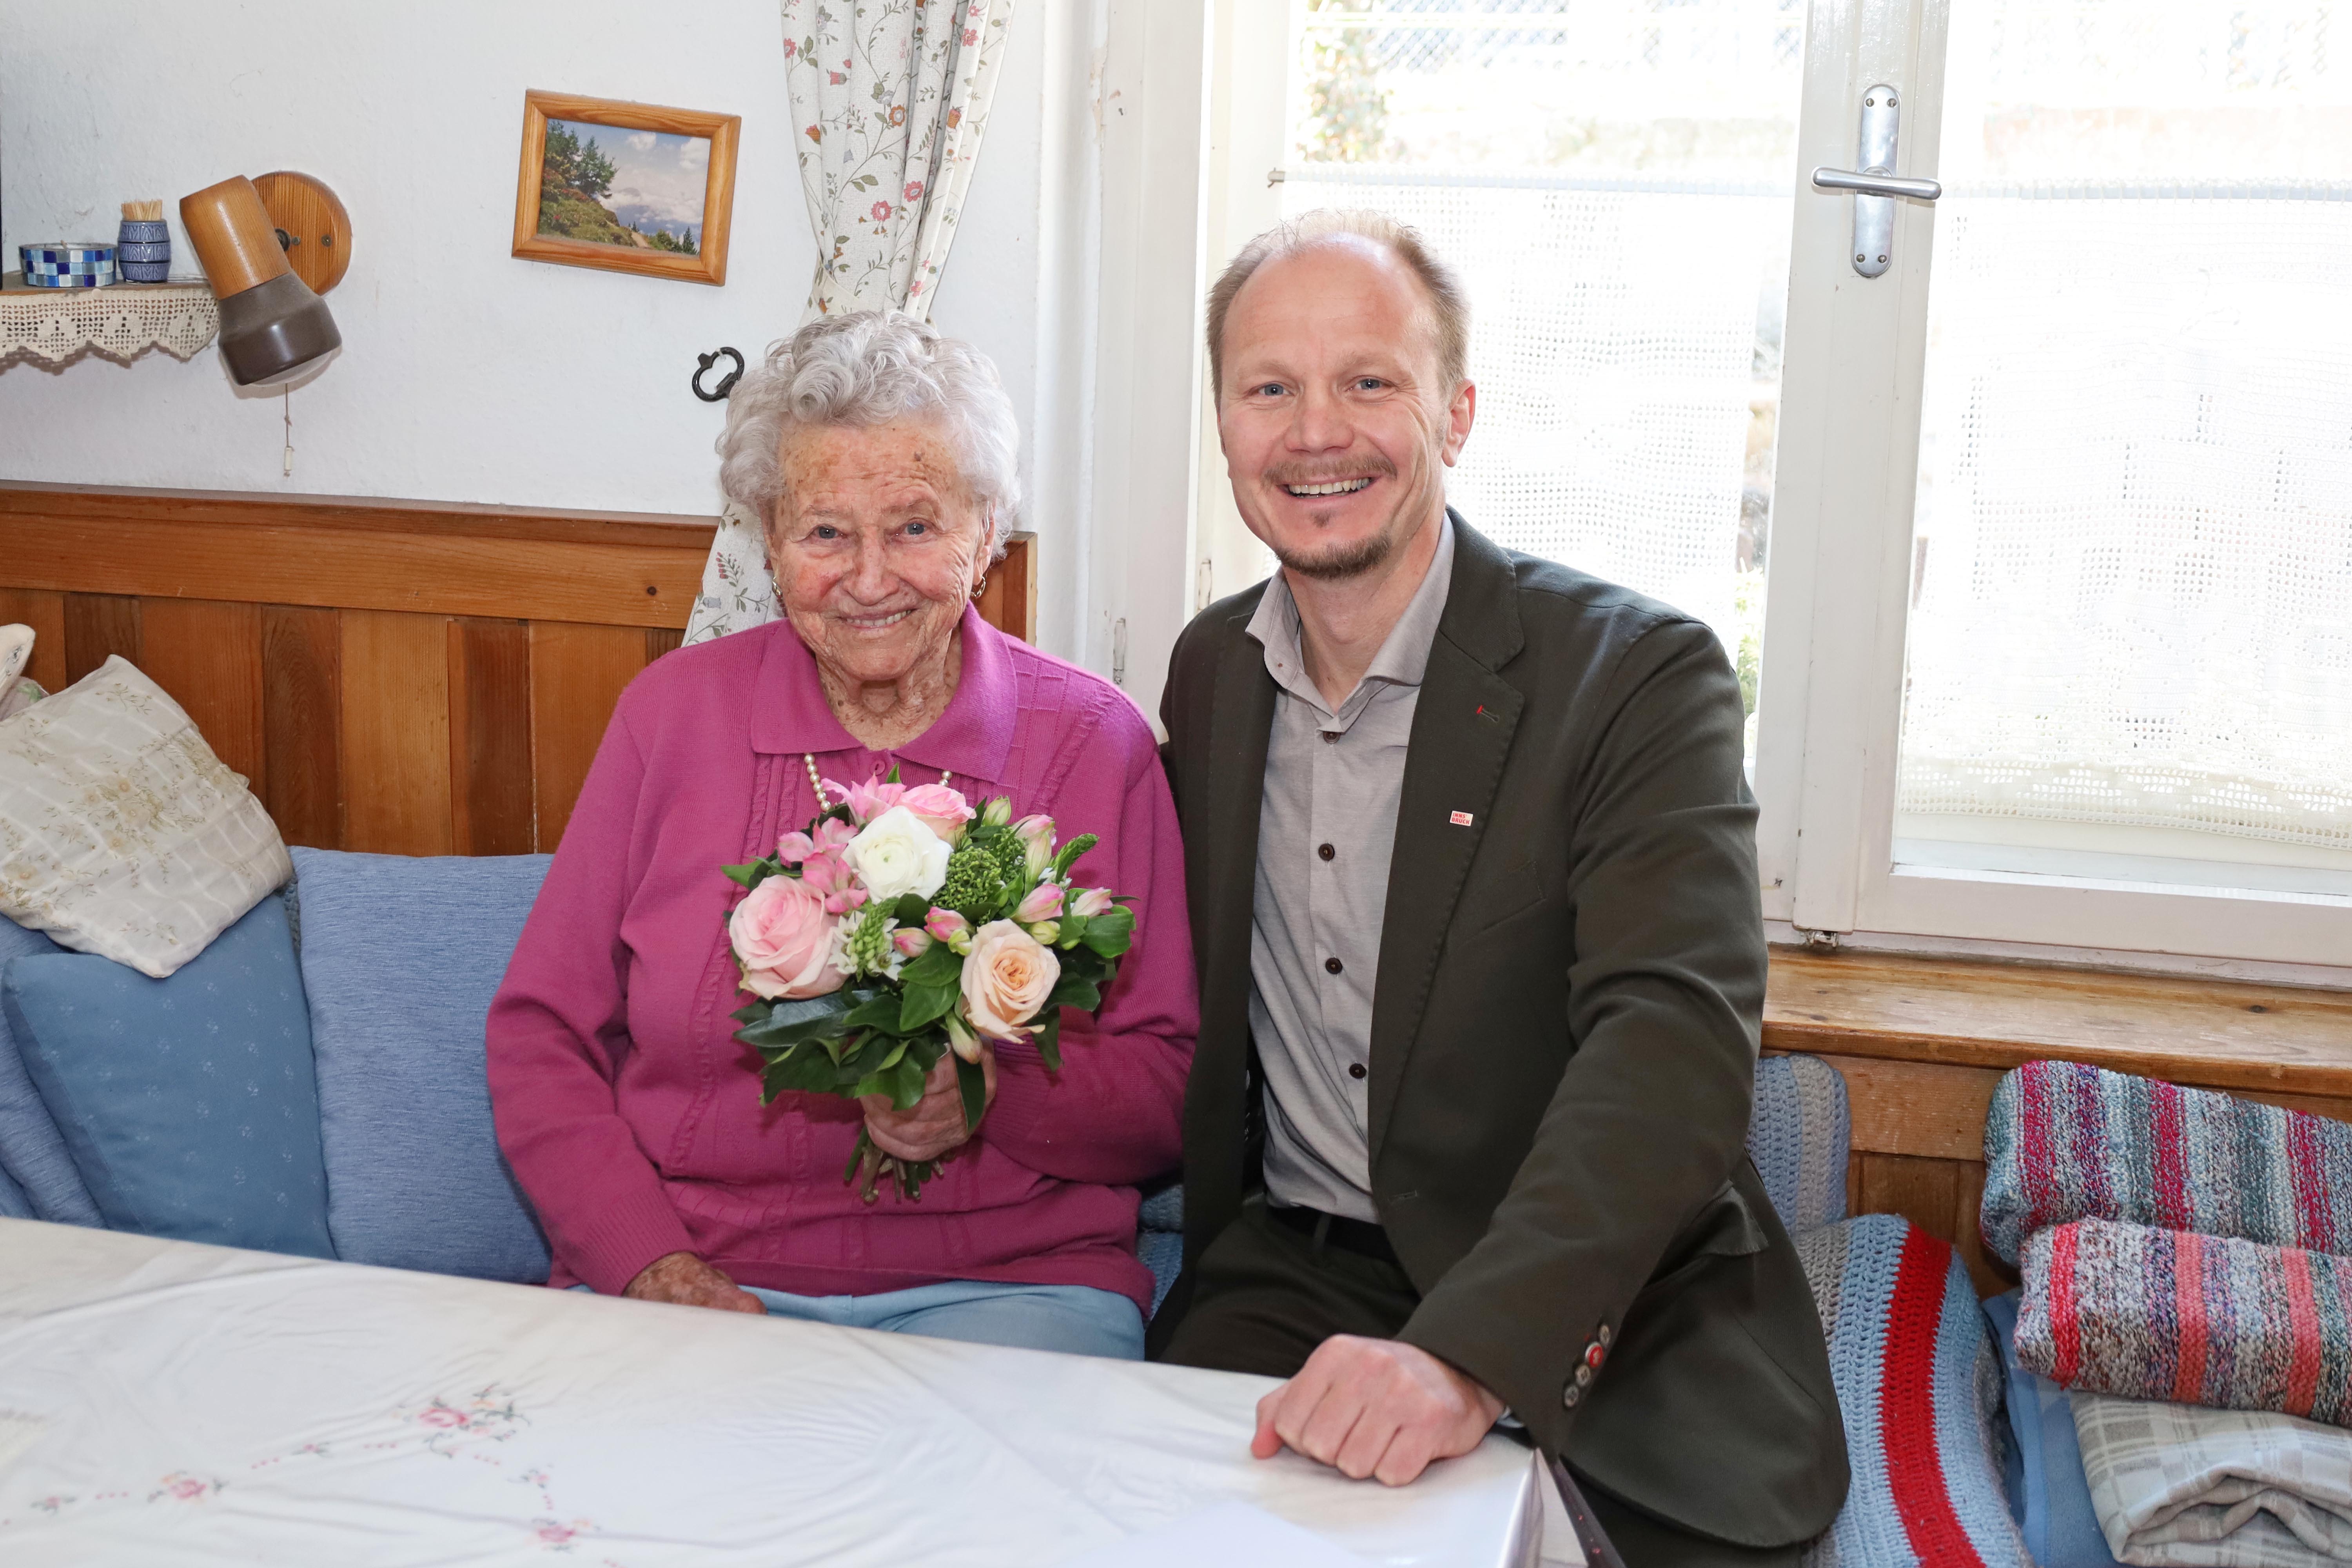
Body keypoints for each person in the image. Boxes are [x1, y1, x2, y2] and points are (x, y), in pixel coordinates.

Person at [1149, 210, 1847, 1564]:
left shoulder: (1636, 677)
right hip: (1291, 1274)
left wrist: (1469, 1357)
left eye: (1369, 381)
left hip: (1605, 1291)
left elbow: (1674, 1052)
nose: (1316, 433)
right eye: (1269, 388)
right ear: (1225, 425)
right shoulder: (1210, 671)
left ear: (1455, 413)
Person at [487, 312, 1196, 1361]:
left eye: (915, 526)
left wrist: (992, 1093)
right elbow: (541, 1034)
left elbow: (1168, 1092)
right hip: (702, 1272)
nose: (870, 579)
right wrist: (647, 1262)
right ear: (769, 541)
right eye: (825, 533)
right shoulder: (671, 718)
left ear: (987, 530)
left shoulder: (1096, 744)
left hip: (1004, 1289)